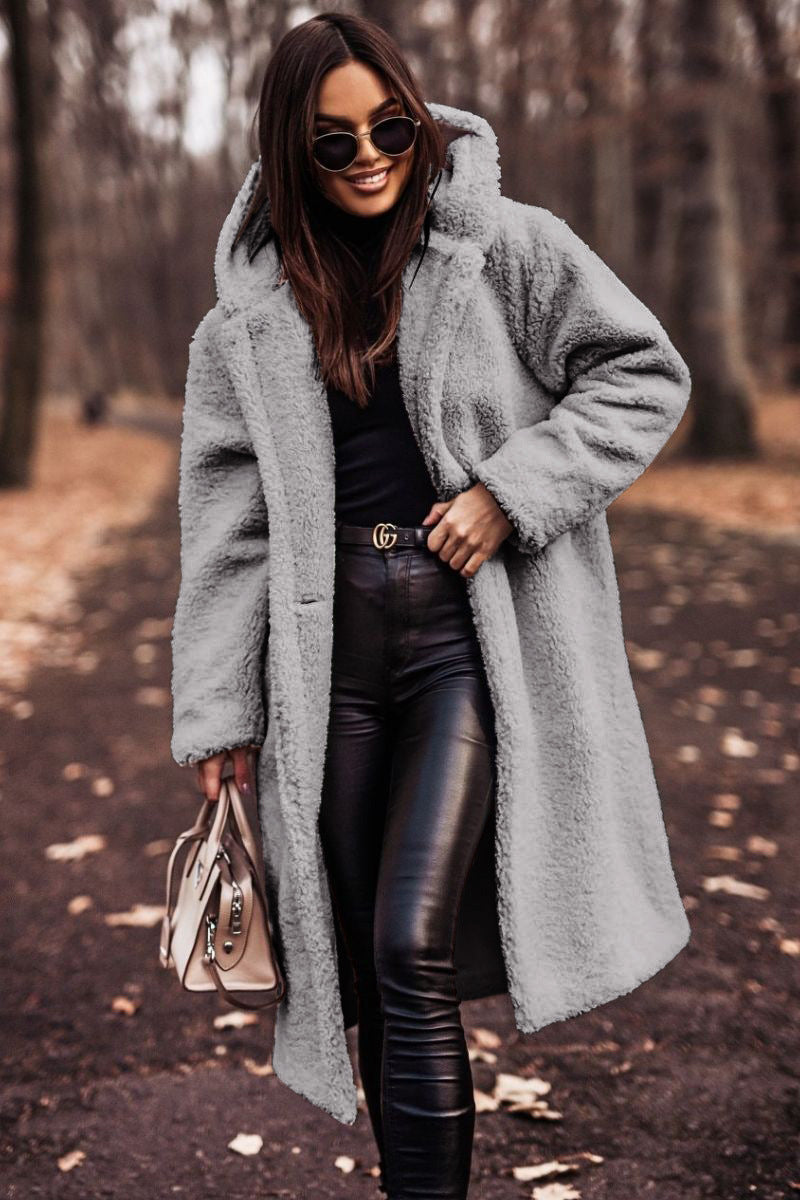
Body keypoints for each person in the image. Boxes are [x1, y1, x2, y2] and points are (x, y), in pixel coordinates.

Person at [170, 11, 692, 1199]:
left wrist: (512, 493)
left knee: (411, 936)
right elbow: (225, 529)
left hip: (466, 638)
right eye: (331, 139)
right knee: (369, 961)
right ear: (287, 153)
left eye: (388, 126)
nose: (366, 154)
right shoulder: (241, 327)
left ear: (417, 121)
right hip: (327, 660)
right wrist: (216, 712)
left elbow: (641, 371)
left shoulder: (504, 246)